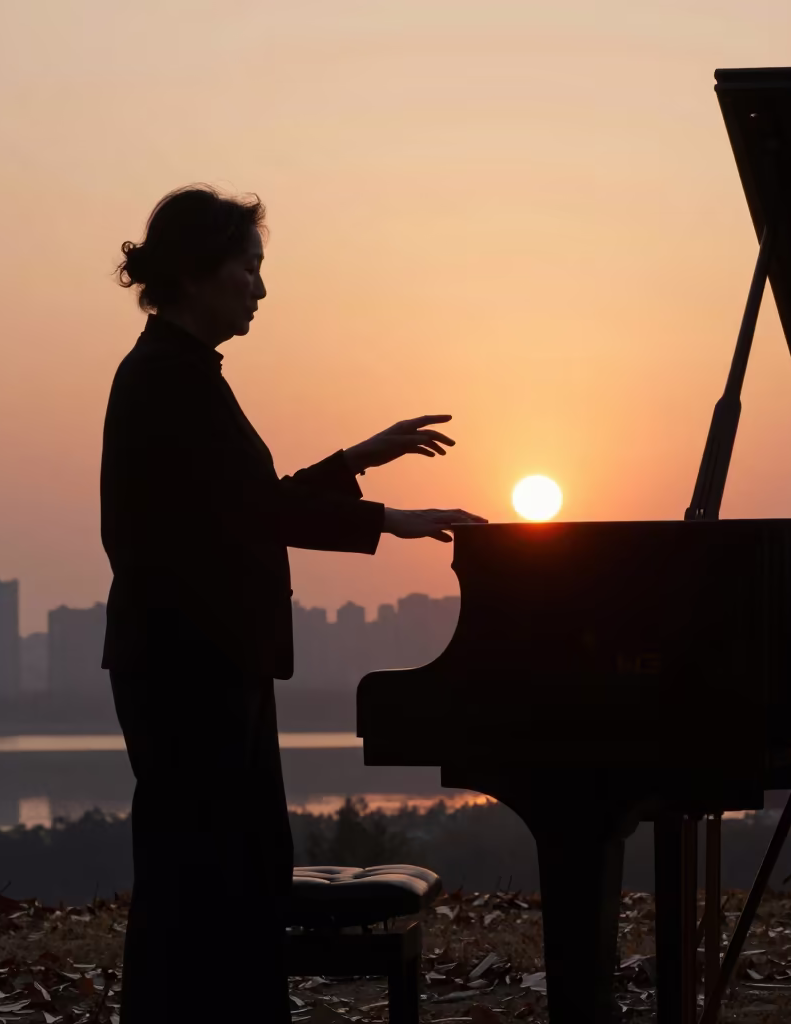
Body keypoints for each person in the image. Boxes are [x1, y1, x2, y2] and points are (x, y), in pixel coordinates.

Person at [99, 184, 485, 1022]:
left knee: (221, 879)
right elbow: (255, 513)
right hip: (190, 671)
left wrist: (364, 458)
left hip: (206, 665)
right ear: (200, 273)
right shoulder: (169, 379)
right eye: (251, 268)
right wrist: (388, 515)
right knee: (205, 885)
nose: (261, 289)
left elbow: (248, 502)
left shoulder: (178, 373)